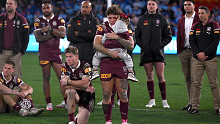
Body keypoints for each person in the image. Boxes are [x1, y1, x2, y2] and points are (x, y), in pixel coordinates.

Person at [94, 4, 134, 124]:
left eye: (114, 18)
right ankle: (108, 121)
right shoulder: (102, 27)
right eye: (110, 18)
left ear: (119, 17)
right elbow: (96, 45)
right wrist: (110, 53)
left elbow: (131, 46)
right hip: (106, 63)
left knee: (123, 93)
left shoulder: (125, 28)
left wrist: (116, 37)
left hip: (121, 63)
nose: (111, 20)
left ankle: (124, 121)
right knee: (106, 94)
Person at [135, 0, 172, 108]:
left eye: (153, 4)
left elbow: (168, 36)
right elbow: (136, 36)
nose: (151, 6)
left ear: (157, 6)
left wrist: (160, 45)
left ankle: (164, 101)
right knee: (149, 75)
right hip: (146, 52)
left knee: (160, 76)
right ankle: (152, 100)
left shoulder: (162, 20)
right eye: (149, 4)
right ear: (147, 6)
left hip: (158, 52)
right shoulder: (141, 20)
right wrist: (143, 46)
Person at [33, 0, 66, 111]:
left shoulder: (59, 19)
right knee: (46, 77)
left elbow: (62, 34)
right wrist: (53, 34)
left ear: (51, 7)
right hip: (44, 53)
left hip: (56, 52)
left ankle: (66, 101)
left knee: (61, 78)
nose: (46, 10)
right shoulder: (38, 21)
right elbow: (38, 38)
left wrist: (49, 30)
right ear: (42, 9)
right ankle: (49, 103)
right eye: (44, 8)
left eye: (47, 8)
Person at [189, 6, 220, 115]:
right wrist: (199, 54)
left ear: (208, 14)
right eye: (199, 13)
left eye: (202, 13)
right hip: (197, 59)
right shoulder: (194, 26)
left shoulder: (215, 25)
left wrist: (205, 54)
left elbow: (215, 42)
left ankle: (218, 107)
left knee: (214, 84)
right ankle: (194, 107)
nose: (200, 15)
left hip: (210, 59)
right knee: (196, 84)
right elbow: (192, 42)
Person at [91, 13, 138, 82]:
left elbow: (102, 41)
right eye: (110, 18)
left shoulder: (108, 30)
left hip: (106, 52)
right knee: (128, 58)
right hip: (120, 52)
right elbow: (130, 43)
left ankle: (95, 71)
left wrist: (106, 44)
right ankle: (131, 73)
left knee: (96, 56)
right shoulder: (126, 32)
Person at [60, 46, 95, 124]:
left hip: (86, 94)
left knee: (81, 123)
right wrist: (82, 87)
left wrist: (69, 82)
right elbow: (65, 86)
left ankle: (77, 119)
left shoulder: (85, 66)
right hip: (79, 92)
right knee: (70, 91)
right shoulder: (64, 66)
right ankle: (71, 121)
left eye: (70, 57)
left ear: (76, 57)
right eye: (66, 57)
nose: (68, 59)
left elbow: (85, 83)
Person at [177, 0, 199, 111]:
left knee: (195, 79)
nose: (187, 6)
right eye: (185, 5)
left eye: (189, 4)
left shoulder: (200, 18)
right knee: (187, 78)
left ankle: (194, 104)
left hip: (196, 52)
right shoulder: (180, 20)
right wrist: (179, 51)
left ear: (194, 6)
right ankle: (190, 102)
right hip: (184, 51)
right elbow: (179, 36)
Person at [0, 0, 29, 79]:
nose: (8, 5)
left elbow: (26, 37)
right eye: (7, 4)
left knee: (16, 76)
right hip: (2, 53)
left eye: (10, 4)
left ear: (15, 6)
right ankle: (2, 92)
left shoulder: (22, 19)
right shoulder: (1, 18)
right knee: (1, 77)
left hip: (16, 53)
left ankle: (16, 92)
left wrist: (22, 51)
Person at [67, 1, 100, 66]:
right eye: (83, 7)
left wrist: (79, 34)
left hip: (89, 55)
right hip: (75, 55)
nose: (84, 9)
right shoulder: (73, 20)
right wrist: (87, 37)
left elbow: (94, 36)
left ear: (90, 8)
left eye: (86, 7)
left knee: (87, 75)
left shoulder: (95, 21)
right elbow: (70, 36)